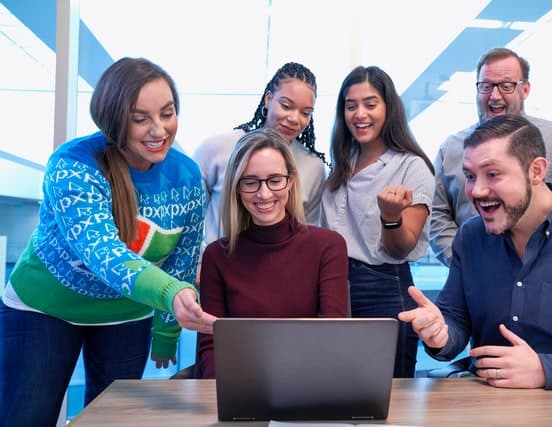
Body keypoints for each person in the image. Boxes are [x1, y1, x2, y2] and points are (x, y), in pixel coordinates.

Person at [0, 57, 216, 425]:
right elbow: (103, 252)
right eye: (140, 118)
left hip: (126, 314)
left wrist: (166, 329)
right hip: (44, 308)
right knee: (27, 416)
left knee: (113, 420)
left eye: (167, 113)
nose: (159, 129)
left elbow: (183, 254)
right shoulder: (72, 165)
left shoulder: (185, 174)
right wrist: (169, 294)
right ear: (113, 118)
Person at [399, 114, 552, 389]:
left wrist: (547, 370)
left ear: (536, 171)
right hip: (488, 406)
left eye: (493, 174)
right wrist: (440, 334)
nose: (475, 191)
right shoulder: (471, 237)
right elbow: (455, 321)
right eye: (469, 175)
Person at [429, 47, 552, 266]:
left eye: (506, 86)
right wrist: (465, 262)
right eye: (486, 86)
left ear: (525, 90)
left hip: (551, 272)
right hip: (477, 280)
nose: (494, 96)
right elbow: (437, 217)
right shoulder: (451, 149)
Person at [196, 129, 349, 379]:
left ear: (290, 181)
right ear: (236, 187)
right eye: (250, 181)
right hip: (240, 385)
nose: (264, 193)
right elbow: (210, 348)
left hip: (310, 384)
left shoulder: (328, 247)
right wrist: (226, 395)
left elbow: (330, 337)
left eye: (274, 180)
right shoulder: (217, 256)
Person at [321, 65, 436, 378]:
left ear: (389, 108)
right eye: (351, 105)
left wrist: (390, 217)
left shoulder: (412, 167)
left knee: (386, 395)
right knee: (334, 387)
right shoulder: (342, 163)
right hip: (334, 285)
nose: (360, 114)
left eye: (370, 104)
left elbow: (402, 248)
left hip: (383, 288)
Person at [192, 62, 327, 246]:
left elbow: (305, 234)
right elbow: (189, 217)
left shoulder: (313, 167)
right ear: (268, 99)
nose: (295, 119)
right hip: (218, 263)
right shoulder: (216, 148)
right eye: (286, 106)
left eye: (305, 113)